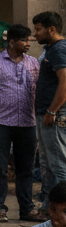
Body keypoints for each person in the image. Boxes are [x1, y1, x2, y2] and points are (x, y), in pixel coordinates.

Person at [0, 23, 41, 222]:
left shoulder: (34, 63)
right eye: (24, 40)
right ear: (11, 42)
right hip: (1, 121)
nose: (28, 43)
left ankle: (26, 208)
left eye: (29, 39)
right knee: (0, 168)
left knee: (25, 168)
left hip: (27, 122)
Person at [33, 11, 66, 189]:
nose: (35, 34)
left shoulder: (59, 49)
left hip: (55, 115)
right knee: (48, 165)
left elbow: (65, 82)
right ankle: (50, 206)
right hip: (49, 114)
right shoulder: (52, 49)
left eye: (38, 29)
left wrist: (52, 110)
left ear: (51, 29)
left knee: (58, 166)